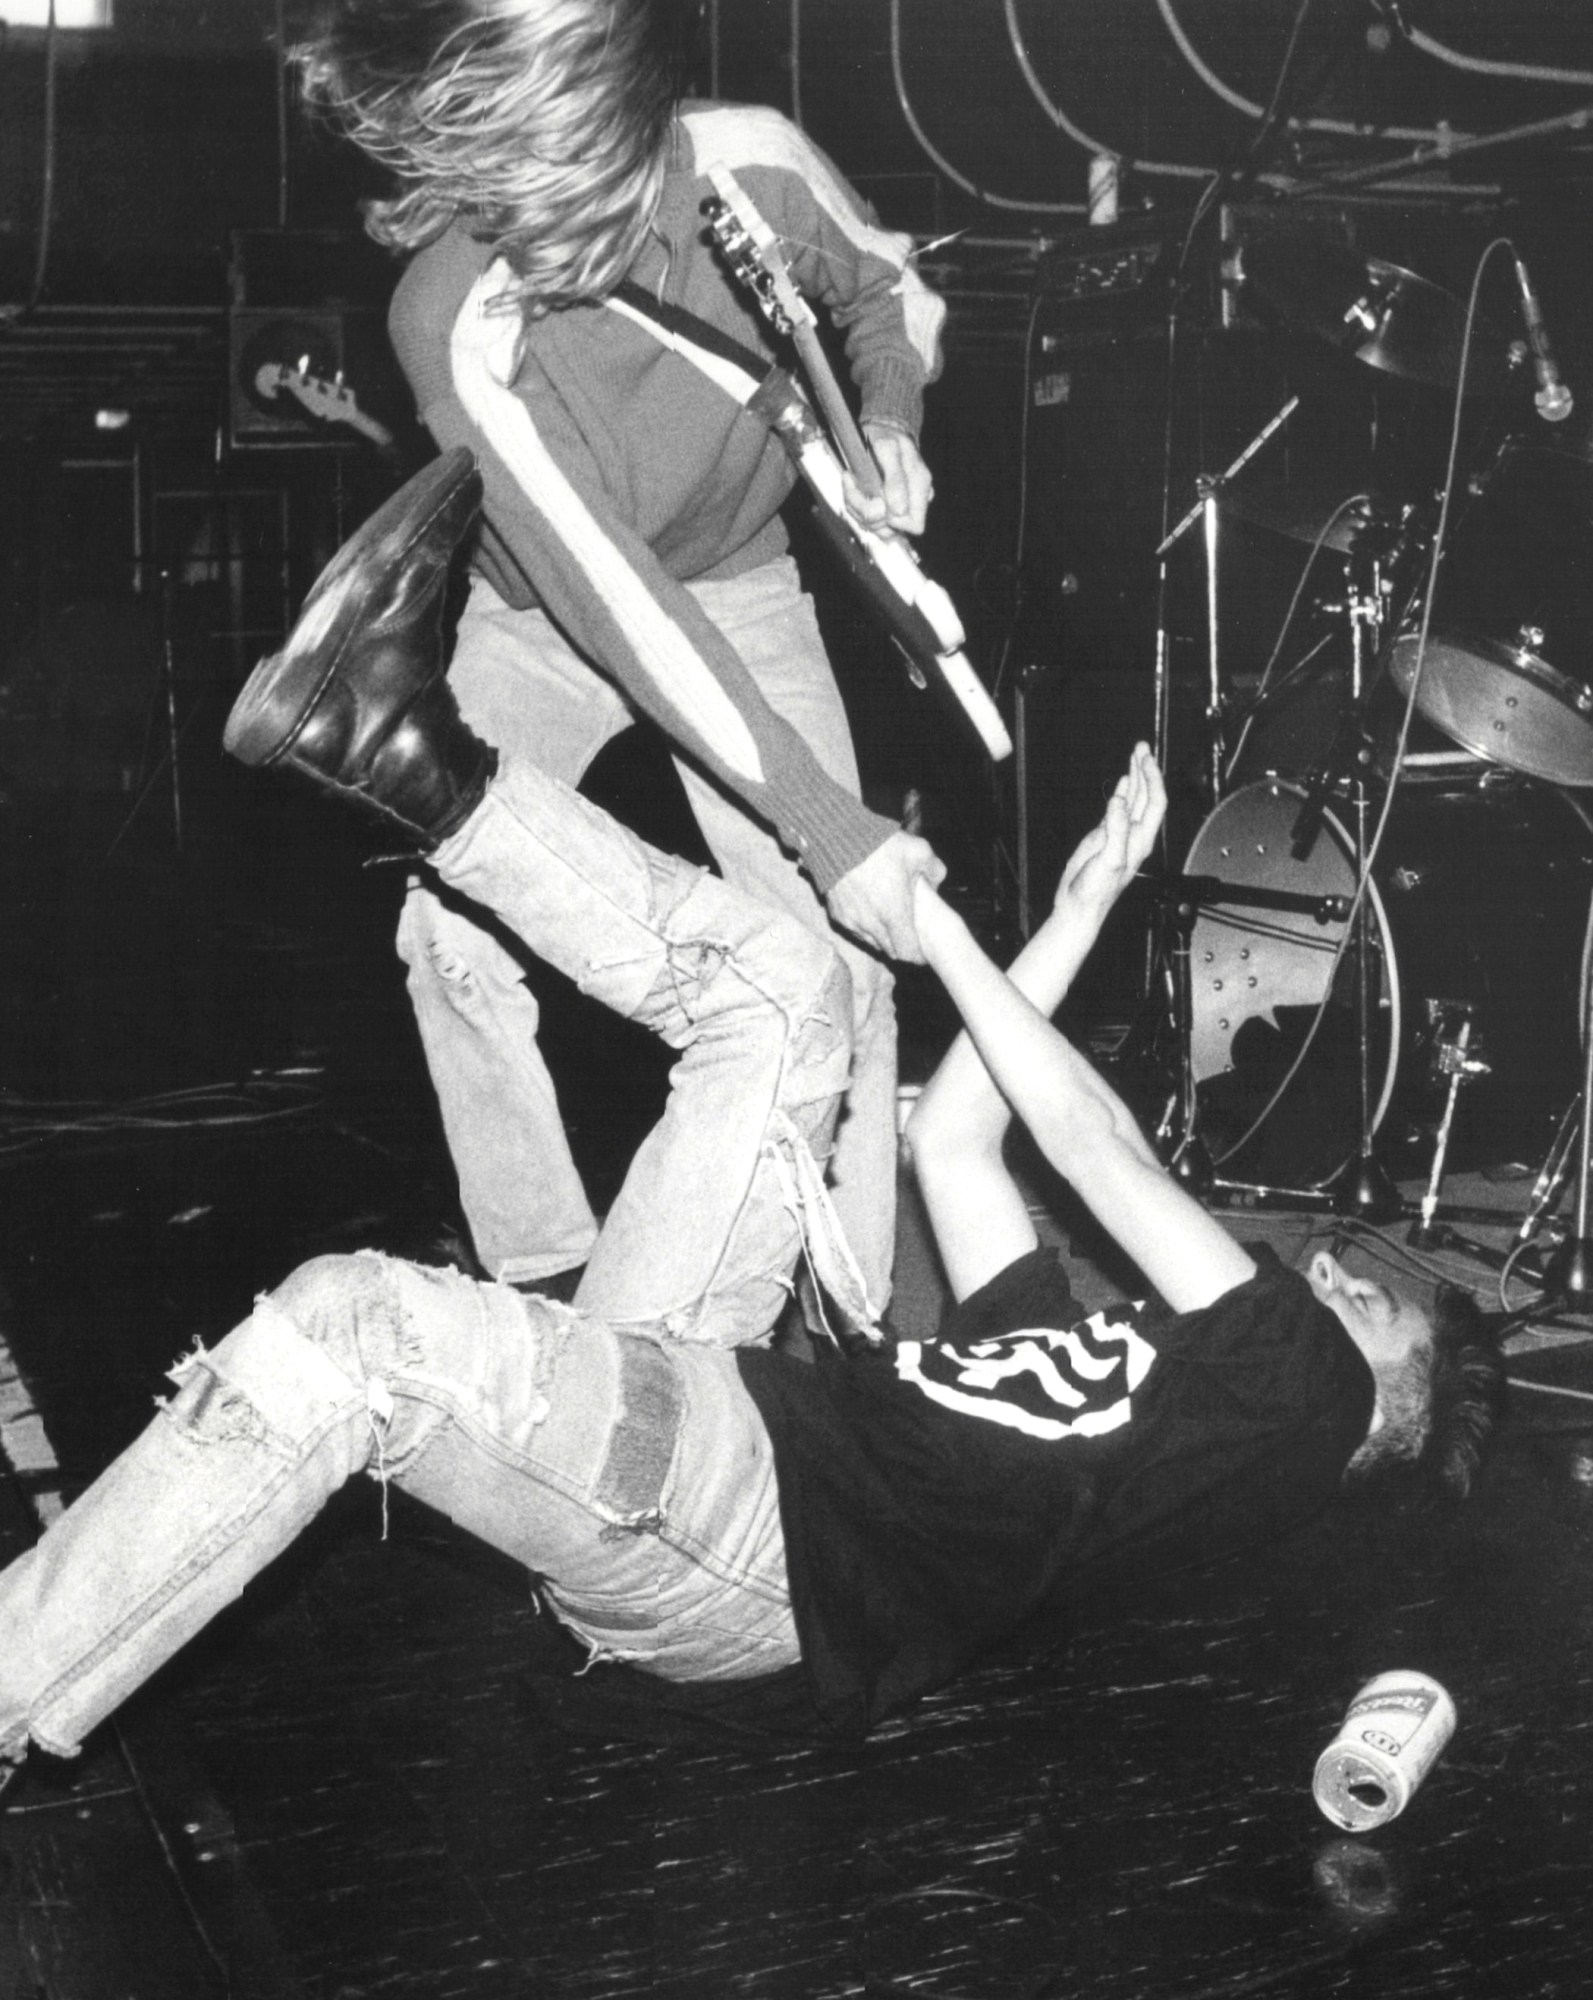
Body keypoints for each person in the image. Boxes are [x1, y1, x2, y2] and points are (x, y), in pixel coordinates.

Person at [0, 459, 1503, 1784]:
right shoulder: (1135, 1397)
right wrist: (1075, 912)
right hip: (732, 1438)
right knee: (784, 997)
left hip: (754, 1543)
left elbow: (1099, 1144)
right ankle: (402, 754)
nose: (1349, 1273)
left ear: (1400, 1377)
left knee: (356, 1332)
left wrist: (940, 932)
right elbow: (956, 1138)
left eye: (1388, 1297)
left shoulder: (1302, 1402)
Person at [292, 0, 950, 1307]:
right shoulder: (447, 310)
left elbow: (886, 288)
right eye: (488, 182)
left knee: (850, 962)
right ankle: (545, 1277)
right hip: (543, 614)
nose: (516, 227)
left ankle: (850, 1313)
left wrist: (888, 417)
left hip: (745, 581)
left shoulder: (750, 156)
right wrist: (825, 821)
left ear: (613, 119)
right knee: (450, 932)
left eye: (544, 177)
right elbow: (614, 602)